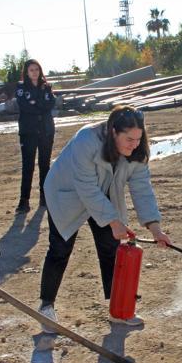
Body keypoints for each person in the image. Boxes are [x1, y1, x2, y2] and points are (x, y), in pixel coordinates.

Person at [38, 105, 171, 331]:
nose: (134, 144)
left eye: (139, 139)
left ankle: (118, 308)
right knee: (60, 248)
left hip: (105, 190)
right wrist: (113, 220)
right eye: (129, 139)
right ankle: (46, 307)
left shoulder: (137, 152)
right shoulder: (86, 141)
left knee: (111, 246)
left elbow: (142, 189)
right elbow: (87, 188)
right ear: (112, 132)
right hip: (68, 192)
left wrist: (155, 228)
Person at [15, 59, 55, 213]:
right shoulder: (20, 87)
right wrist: (39, 105)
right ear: (26, 72)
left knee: (45, 164)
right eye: (31, 70)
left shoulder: (47, 87)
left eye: (37, 69)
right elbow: (24, 106)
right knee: (28, 166)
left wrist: (35, 103)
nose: (34, 72)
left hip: (46, 130)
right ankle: (24, 201)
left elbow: (50, 104)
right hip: (28, 132)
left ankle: (44, 197)